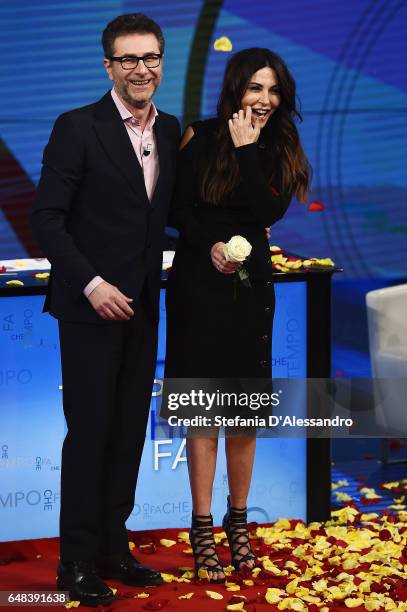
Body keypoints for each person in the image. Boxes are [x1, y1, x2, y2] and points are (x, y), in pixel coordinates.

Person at [31, 13, 180, 606]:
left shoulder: (169, 131)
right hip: (89, 308)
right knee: (89, 435)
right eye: (128, 59)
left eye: (150, 58)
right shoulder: (78, 127)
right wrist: (91, 283)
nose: (140, 69)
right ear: (109, 67)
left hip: (144, 306)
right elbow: (46, 218)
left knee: (127, 435)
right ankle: (75, 564)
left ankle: (115, 549)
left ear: (162, 62)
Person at [164, 48, 311, 583]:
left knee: (243, 414)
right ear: (235, 90)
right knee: (203, 413)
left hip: (251, 294)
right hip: (199, 287)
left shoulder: (280, 146)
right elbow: (179, 211)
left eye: (273, 91)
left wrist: (249, 150)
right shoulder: (198, 137)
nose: (265, 100)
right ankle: (201, 526)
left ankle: (238, 524)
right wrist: (211, 247)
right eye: (255, 89)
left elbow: (268, 212)